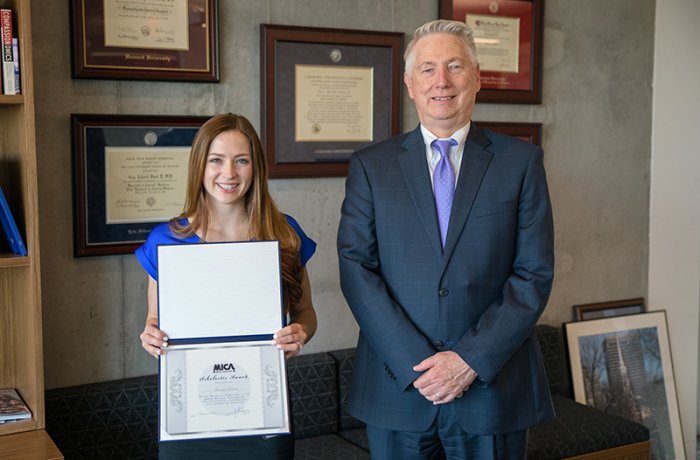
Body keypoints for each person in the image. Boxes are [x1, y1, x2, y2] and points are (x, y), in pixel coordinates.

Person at [337, 19, 555, 459]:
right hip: (398, 387)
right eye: (428, 69)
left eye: (455, 67)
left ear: (476, 79)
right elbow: (356, 268)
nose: (442, 81)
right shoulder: (370, 167)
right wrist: (415, 365)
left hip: (492, 390)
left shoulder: (521, 162)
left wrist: (468, 361)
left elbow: (533, 273)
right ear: (409, 83)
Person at [136, 113, 317, 460]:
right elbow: (153, 322)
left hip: (263, 417)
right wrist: (150, 335)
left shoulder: (284, 234)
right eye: (216, 160)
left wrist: (300, 333)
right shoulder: (167, 241)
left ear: (256, 167)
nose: (229, 173)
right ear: (199, 166)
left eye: (242, 161)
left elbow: (306, 313)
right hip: (189, 417)